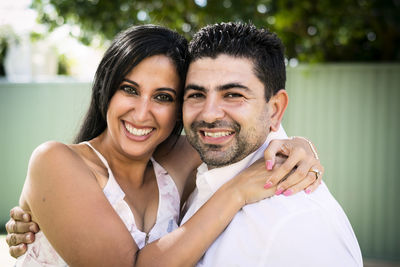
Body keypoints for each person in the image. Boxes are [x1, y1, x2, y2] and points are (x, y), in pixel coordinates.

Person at [5, 24, 323, 266]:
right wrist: (236, 192)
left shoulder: (179, 157)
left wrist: (298, 144)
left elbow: (244, 135)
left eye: (163, 97)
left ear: (181, 107)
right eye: (129, 89)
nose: (142, 113)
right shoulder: (57, 162)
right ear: (105, 89)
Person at [178, 22, 363, 266]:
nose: (209, 114)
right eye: (196, 95)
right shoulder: (194, 173)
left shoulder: (299, 226)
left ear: (275, 109)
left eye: (233, 95)